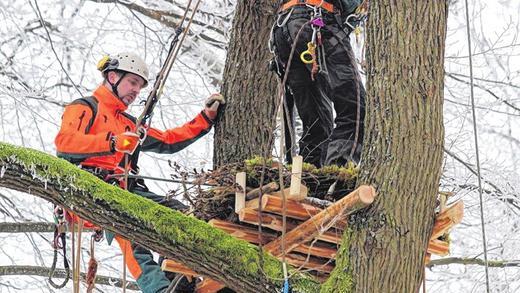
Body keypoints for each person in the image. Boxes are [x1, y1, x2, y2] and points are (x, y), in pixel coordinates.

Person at [55, 52, 225, 293]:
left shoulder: (129, 124)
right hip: (88, 190)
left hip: (125, 190)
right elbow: (65, 142)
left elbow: (167, 140)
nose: (136, 91)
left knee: (182, 213)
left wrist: (205, 119)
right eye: (132, 83)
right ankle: (158, 290)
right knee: (130, 229)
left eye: (140, 86)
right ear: (112, 76)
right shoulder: (84, 107)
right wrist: (113, 142)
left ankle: (177, 276)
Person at [271, 0, 366, 167]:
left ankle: (312, 182)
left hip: (286, 28)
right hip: (318, 22)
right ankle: (338, 174)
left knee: (317, 126)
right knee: (355, 108)